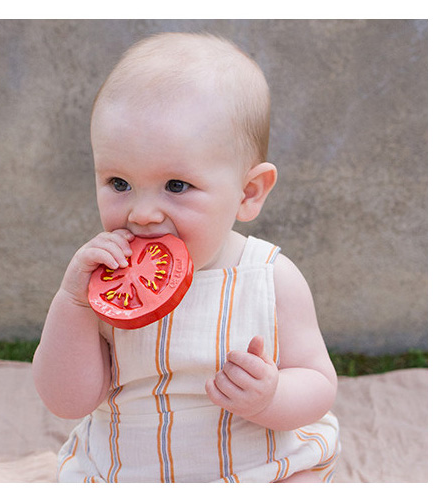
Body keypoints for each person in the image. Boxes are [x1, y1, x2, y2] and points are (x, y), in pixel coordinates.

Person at [32, 32, 340, 483]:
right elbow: (66, 401)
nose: (142, 213)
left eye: (176, 186)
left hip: (258, 468)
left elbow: (318, 384)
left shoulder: (269, 277)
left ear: (248, 193)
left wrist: (270, 397)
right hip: (126, 474)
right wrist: (74, 304)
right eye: (119, 183)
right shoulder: (103, 282)